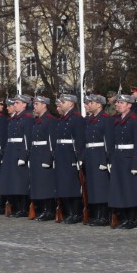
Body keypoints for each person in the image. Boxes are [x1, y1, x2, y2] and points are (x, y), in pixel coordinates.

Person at [108, 94, 137, 229]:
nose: (118, 105)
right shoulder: (117, 120)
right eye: (117, 102)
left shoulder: (135, 120)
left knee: (130, 190)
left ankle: (132, 219)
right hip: (118, 158)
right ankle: (124, 217)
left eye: (121, 103)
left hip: (130, 159)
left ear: (129, 105)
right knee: (120, 189)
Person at [0, 94, 34, 217]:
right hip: (11, 152)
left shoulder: (27, 118)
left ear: (24, 104)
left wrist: (24, 156)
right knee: (13, 182)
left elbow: (27, 139)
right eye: (14, 103)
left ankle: (24, 209)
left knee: (21, 183)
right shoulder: (14, 119)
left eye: (17, 103)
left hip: (19, 152)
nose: (14, 105)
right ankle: (18, 208)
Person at [54, 93, 85, 224]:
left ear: (71, 103)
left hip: (70, 155)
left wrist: (79, 158)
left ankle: (76, 213)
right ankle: (68, 212)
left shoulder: (76, 118)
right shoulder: (63, 118)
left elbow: (79, 140)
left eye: (63, 101)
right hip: (61, 154)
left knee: (73, 185)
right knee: (63, 185)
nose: (60, 103)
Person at [83, 94, 113, 226]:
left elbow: (109, 141)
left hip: (100, 155)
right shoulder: (90, 120)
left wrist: (107, 160)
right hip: (90, 155)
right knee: (93, 187)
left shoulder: (106, 119)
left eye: (92, 102)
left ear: (99, 104)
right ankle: (97, 214)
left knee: (101, 187)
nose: (89, 104)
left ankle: (104, 215)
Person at [28, 95, 57, 221]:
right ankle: (42, 209)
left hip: (44, 156)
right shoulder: (37, 120)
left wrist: (48, 158)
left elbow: (51, 141)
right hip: (36, 155)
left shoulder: (50, 120)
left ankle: (49, 210)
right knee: (37, 184)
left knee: (46, 185)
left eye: (36, 104)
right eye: (34, 104)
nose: (34, 106)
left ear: (44, 105)